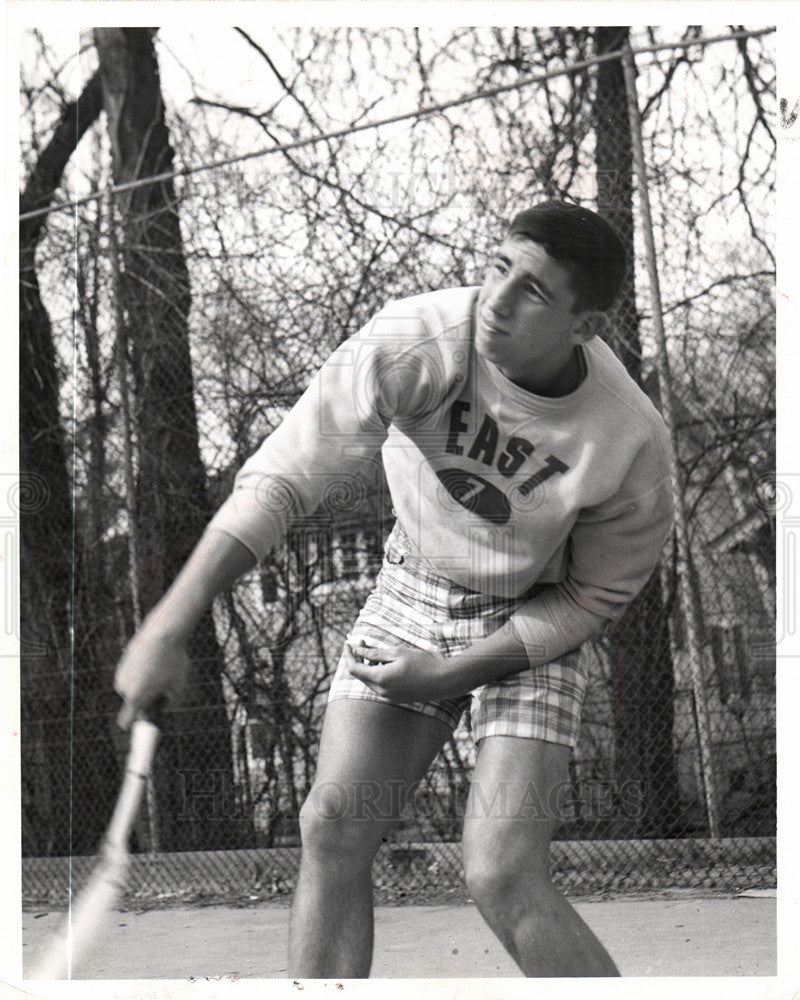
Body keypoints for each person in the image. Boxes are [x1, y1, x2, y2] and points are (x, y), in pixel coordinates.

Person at [115, 200, 674, 978]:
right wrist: (168, 626)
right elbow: (283, 478)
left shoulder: (629, 438)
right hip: (414, 584)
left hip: (533, 613)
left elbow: (594, 599)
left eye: (535, 292)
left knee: (500, 871)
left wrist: (454, 673)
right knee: (335, 825)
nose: (498, 302)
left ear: (586, 326)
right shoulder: (423, 339)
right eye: (498, 266)